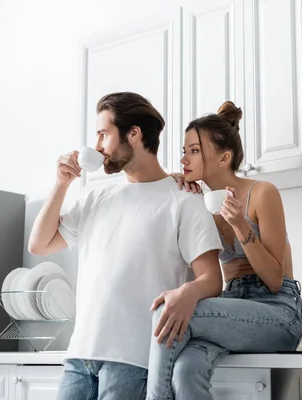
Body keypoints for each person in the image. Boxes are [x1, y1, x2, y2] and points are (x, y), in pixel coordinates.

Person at [28, 92, 224, 400]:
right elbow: (39, 244)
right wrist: (61, 183)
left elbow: (212, 279)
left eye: (103, 134)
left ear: (133, 134)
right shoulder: (96, 198)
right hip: (79, 357)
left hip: (135, 361)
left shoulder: (183, 199)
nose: (97, 146)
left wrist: (188, 292)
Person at [146, 101, 302, 400]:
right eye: (184, 150)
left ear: (224, 158)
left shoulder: (261, 193)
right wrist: (172, 181)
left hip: (278, 312)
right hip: (231, 306)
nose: (183, 158)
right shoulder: (200, 203)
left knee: (170, 311)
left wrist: (241, 227)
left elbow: (273, 280)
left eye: (193, 150)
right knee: (186, 370)